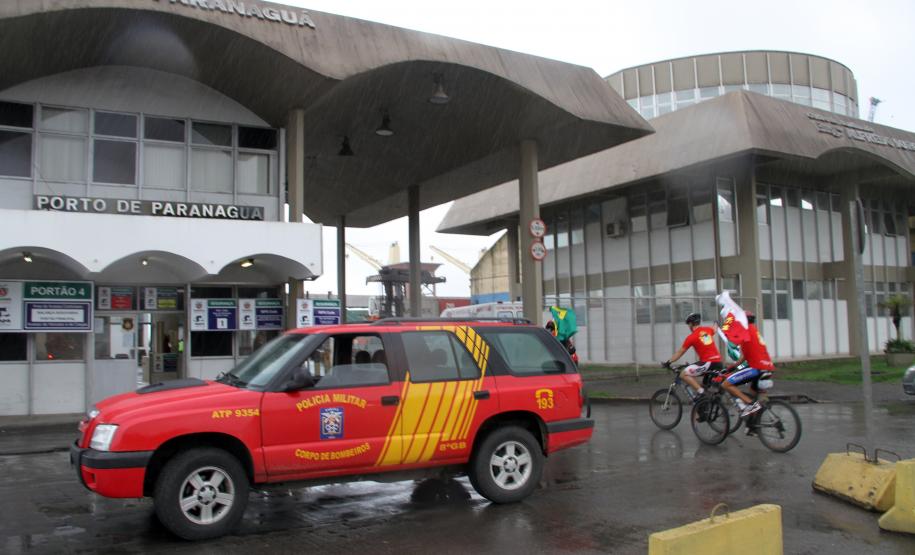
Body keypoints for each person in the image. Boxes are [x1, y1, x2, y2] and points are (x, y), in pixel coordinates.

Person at [722, 312, 774, 417]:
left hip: (757, 368)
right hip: (768, 367)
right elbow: (745, 356)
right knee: (752, 393)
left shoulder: (744, 331)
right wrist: (734, 366)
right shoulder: (753, 331)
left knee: (726, 384)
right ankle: (753, 425)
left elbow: (730, 335)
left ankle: (751, 406)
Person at [664, 312, 723, 397]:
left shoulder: (692, 337)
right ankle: (704, 403)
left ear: (691, 324)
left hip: (707, 363)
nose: (689, 326)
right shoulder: (707, 331)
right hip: (718, 363)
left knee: (683, 374)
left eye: (689, 324)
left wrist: (668, 362)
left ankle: (701, 392)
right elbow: (715, 329)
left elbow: (680, 352)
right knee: (705, 386)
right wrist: (716, 322)